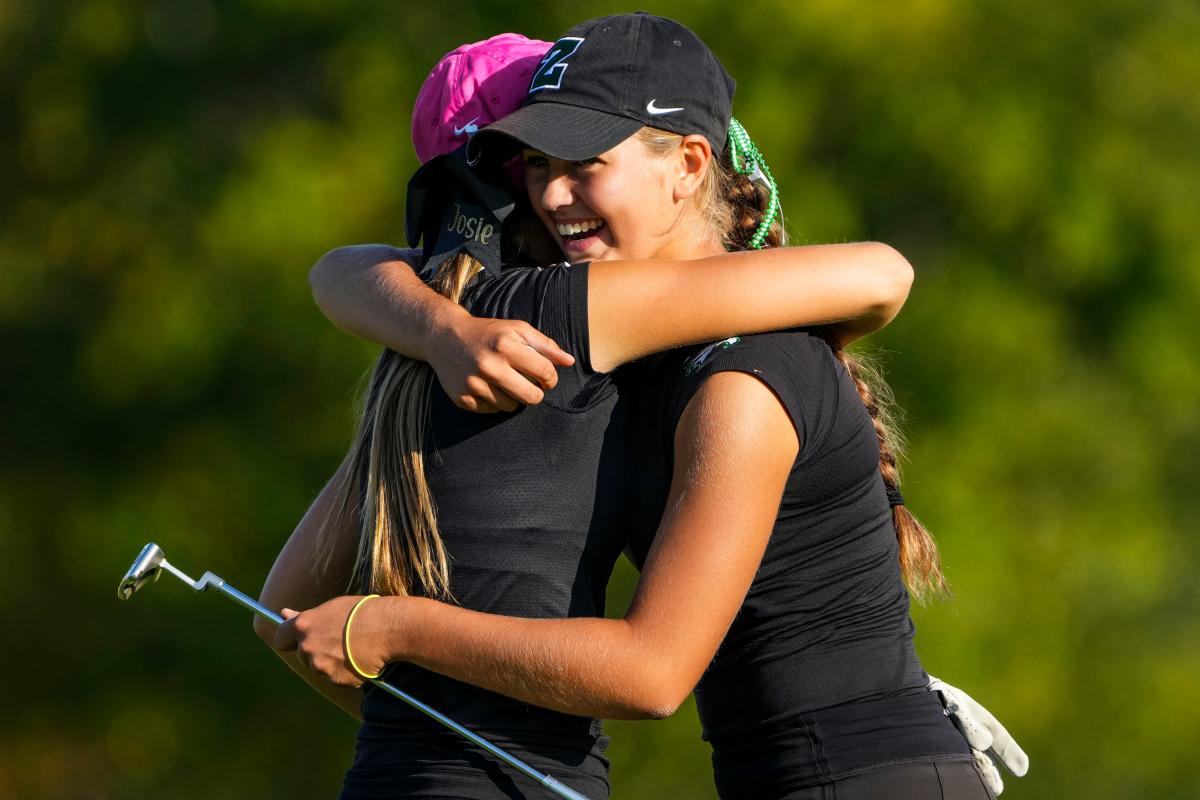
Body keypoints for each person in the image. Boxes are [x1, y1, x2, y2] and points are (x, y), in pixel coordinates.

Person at [271, 14, 1027, 799]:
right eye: (534, 164)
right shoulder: (592, 349)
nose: (554, 195)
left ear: (689, 166)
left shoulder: (710, 361)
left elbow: (654, 673)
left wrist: (392, 631)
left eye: (586, 163)